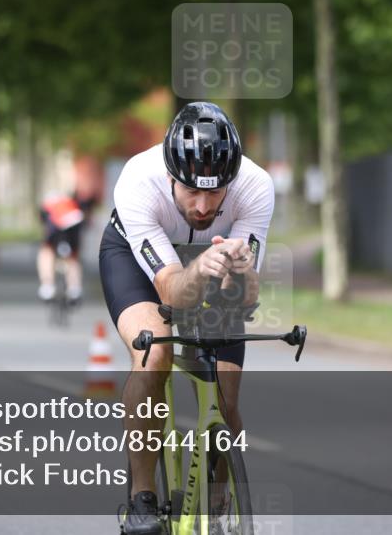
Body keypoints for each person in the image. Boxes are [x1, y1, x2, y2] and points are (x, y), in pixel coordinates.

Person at [100, 102, 274, 534]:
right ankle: (143, 498)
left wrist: (243, 274)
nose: (201, 205)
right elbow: (172, 293)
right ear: (170, 177)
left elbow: (246, 298)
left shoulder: (256, 187)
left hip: (212, 260)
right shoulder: (139, 182)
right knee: (153, 355)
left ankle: (218, 509)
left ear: (231, 181)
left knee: (226, 393)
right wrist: (200, 267)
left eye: (214, 193)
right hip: (142, 262)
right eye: (191, 191)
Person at [36, 191, 86, 302]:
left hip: (57, 224)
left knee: (46, 251)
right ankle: (74, 288)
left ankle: (47, 286)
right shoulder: (71, 202)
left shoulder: (47, 205)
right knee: (73, 256)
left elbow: (44, 224)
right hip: (75, 221)